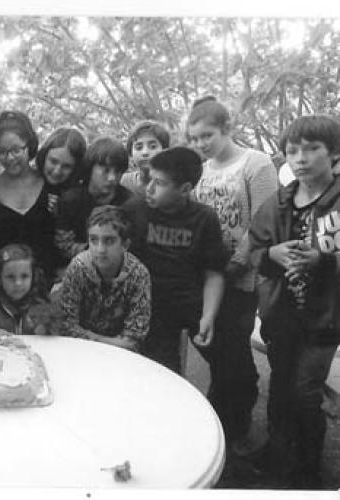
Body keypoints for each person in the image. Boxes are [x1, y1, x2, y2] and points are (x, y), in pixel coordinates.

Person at [248, 115, 340, 489]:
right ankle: (276, 451)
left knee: (305, 392)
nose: (300, 158)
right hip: (282, 316)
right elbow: (253, 250)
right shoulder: (279, 202)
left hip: (326, 318)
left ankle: (308, 467)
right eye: (292, 150)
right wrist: (271, 254)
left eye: (312, 149)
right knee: (281, 386)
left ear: (334, 153)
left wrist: (324, 261)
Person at [187, 96, 279, 454]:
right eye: (194, 138)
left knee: (232, 349)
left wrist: (235, 265)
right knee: (215, 347)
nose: (200, 143)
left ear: (227, 128)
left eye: (207, 135)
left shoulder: (256, 163)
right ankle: (226, 413)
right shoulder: (201, 170)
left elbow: (264, 224)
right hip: (208, 277)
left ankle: (234, 428)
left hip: (241, 278)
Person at [122, 147, 227, 373]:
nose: (149, 188)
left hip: (191, 300)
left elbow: (214, 274)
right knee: (164, 371)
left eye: (159, 183)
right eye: (149, 179)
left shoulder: (205, 218)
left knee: (234, 370)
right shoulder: (135, 209)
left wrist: (208, 316)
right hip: (151, 305)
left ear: (185, 189)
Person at [0, 110, 59, 282]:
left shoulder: (50, 186)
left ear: (29, 146)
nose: (9, 158)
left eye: (16, 150)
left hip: (47, 283)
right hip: (2, 285)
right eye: (2, 152)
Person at [57, 206, 151, 351]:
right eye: (94, 240)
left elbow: (133, 340)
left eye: (109, 241)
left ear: (125, 245)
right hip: (79, 350)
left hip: (120, 354)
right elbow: (66, 326)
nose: (100, 249)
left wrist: (92, 337)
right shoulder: (78, 268)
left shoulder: (139, 274)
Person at [55, 137, 134, 261]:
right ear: (90, 168)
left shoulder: (129, 203)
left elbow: (130, 247)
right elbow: (63, 244)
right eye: (106, 171)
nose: (112, 178)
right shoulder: (71, 200)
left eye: (117, 172)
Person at [0, 243, 63, 336]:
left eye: (24, 276)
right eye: (10, 277)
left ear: (33, 276)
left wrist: (48, 328)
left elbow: (57, 333)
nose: (18, 283)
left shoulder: (41, 303)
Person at [35, 127, 88, 213]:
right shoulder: (25, 180)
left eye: (66, 166)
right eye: (53, 162)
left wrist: (60, 212)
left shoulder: (79, 198)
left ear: (76, 169)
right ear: (44, 156)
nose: (57, 171)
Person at [120, 120, 171, 197]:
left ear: (165, 151)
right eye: (139, 147)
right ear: (131, 154)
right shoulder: (124, 182)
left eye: (153, 147)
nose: (145, 152)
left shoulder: (173, 186)